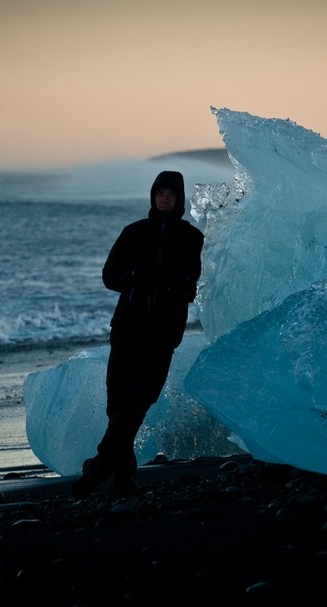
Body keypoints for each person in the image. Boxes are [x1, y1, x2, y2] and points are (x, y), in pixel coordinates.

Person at [71, 170, 204, 499]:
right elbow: (109, 276)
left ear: (179, 198)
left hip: (162, 334)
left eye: (171, 193)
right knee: (117, 406)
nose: (165, 198)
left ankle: (100, 464)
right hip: (127, 330)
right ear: (152, 195)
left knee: (140, 401)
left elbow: (190, 288)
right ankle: (124, 479)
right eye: (160, 191)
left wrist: (165, 275)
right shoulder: (134, 233)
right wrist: (135, 273)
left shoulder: (191, 238)